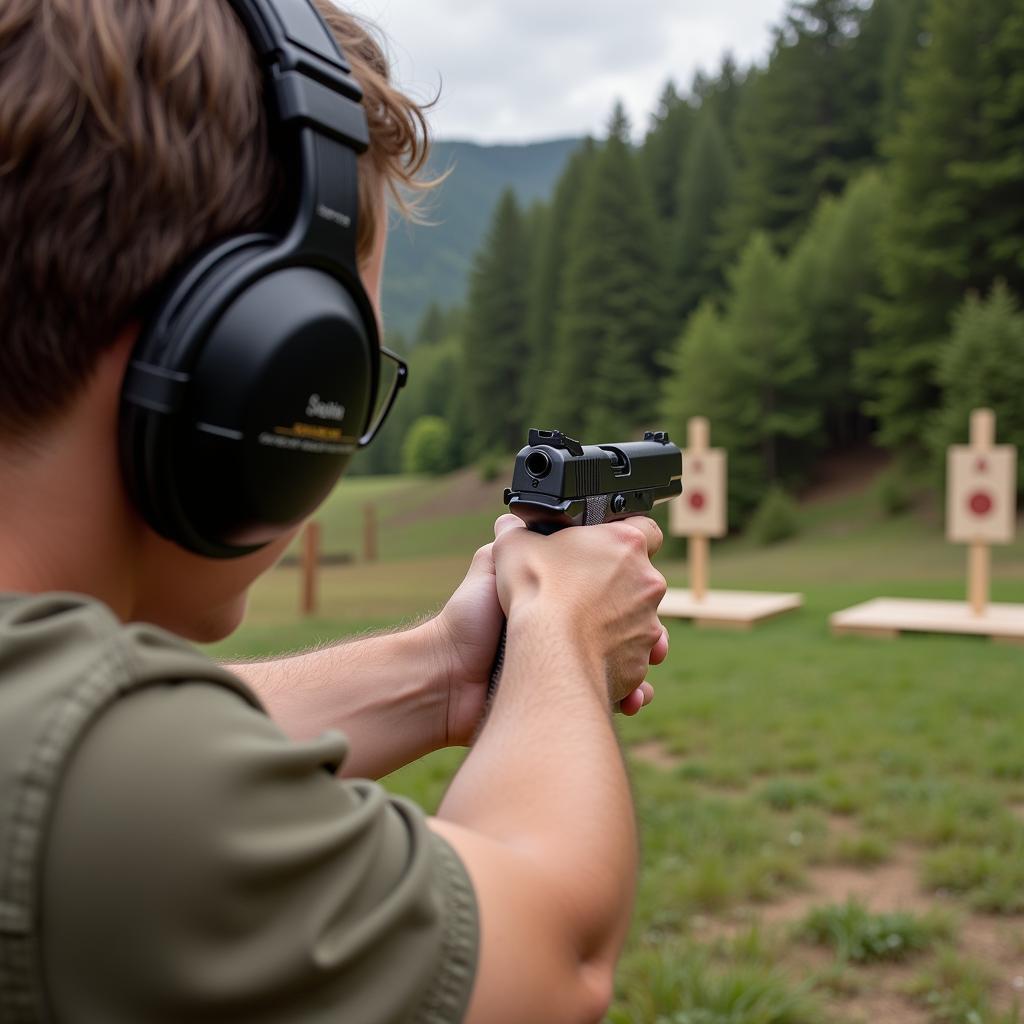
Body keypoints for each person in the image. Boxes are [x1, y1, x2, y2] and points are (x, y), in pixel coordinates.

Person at [0, 1, 669, 1021]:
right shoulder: (83, 801)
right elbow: (557, 956)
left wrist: (447, 668)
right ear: (255, 370)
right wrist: (564, 635)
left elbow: (103, 738)